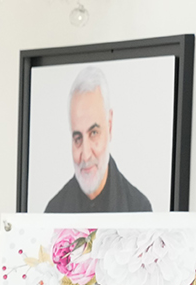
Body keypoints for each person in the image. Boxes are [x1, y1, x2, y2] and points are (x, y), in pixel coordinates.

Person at [43, 65, 153, 212]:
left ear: (110, 126)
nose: (86, 155)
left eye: (94, 133)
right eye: (78, 138)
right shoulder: (54, 212)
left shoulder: (138, 209)